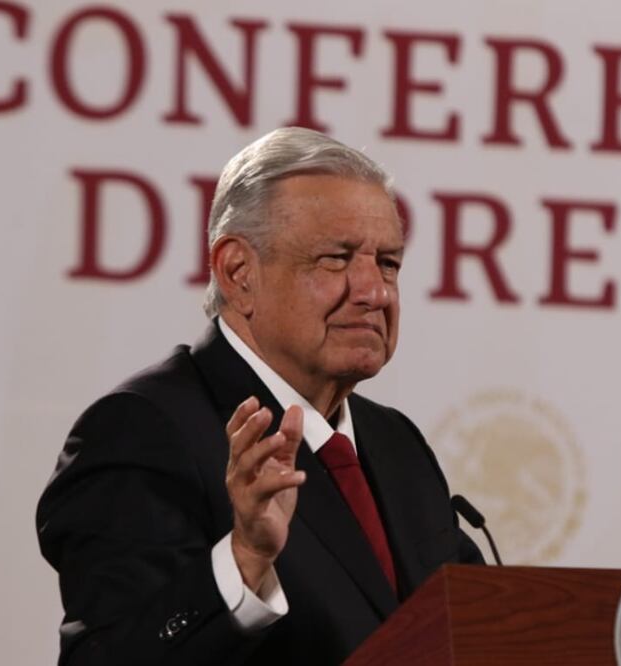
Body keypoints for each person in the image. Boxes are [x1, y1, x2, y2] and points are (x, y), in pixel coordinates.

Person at [36, 127, 484, 665]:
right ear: (237, 272)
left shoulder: (396, 444)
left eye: (387, 262)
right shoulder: (143, 431)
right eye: (336, 259)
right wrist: (243, 561)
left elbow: (474, 628)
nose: (375, 292)